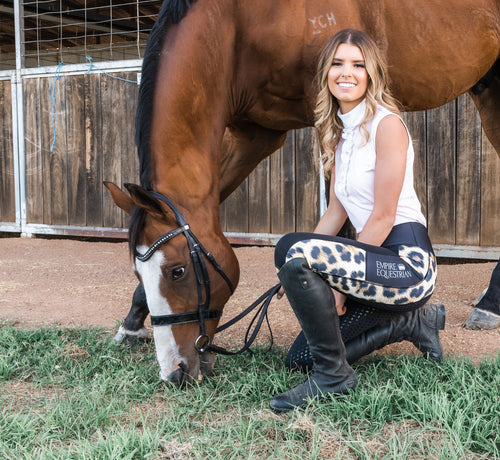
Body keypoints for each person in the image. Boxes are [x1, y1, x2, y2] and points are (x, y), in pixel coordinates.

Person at [270, 29, 445, 413]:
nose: (346, 72)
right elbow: (336, 211)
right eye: (337, 63)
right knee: (300, 358)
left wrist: (340, 284)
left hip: (406, 265)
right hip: (374, 263)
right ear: (325, 74)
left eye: (357, 64)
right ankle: (411, 323)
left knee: (289, 245)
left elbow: (382, 216)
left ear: (371, 74)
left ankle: (335, 379)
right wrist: (295, 267)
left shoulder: (387, 126)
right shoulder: (338, 135)